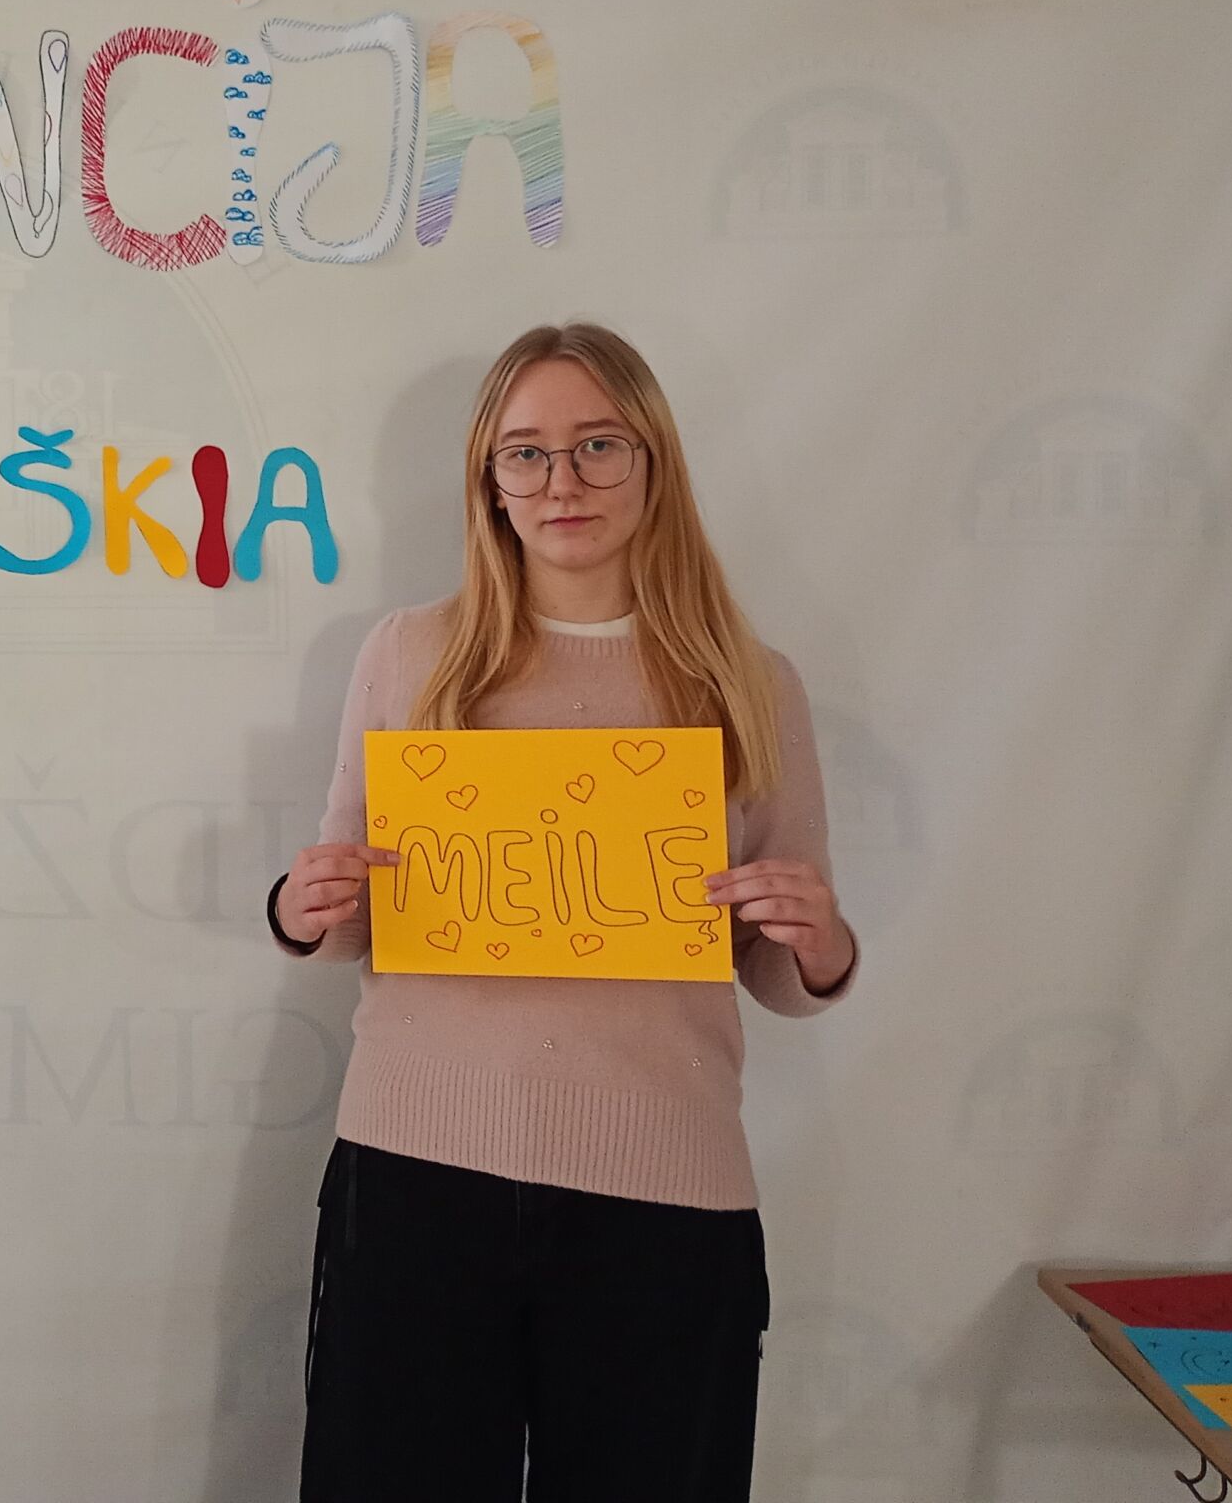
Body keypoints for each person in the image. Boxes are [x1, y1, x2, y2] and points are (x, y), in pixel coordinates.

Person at [269, 321, 857, 1502]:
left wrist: (821, 942)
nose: (562, 480)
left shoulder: (748, 681)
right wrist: (302, 902)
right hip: (419, 1169)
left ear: (652, 459)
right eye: (525, 452)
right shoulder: (412, 653)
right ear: (488, 480)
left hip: (665, 1187)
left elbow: (780, 970)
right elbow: (347, 913)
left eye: (597, 444)